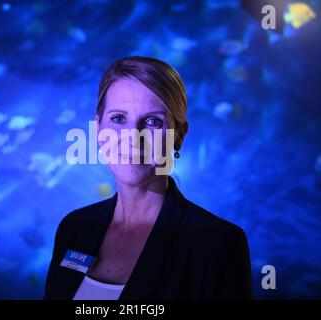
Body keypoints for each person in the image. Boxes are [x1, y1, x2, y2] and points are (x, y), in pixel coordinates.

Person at [44, 56, 252, 300]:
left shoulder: (218, 244)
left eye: (153, 122)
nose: (133, 137)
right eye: (118, 119)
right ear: (98, 129)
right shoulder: (74, 228)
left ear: (179, 135)